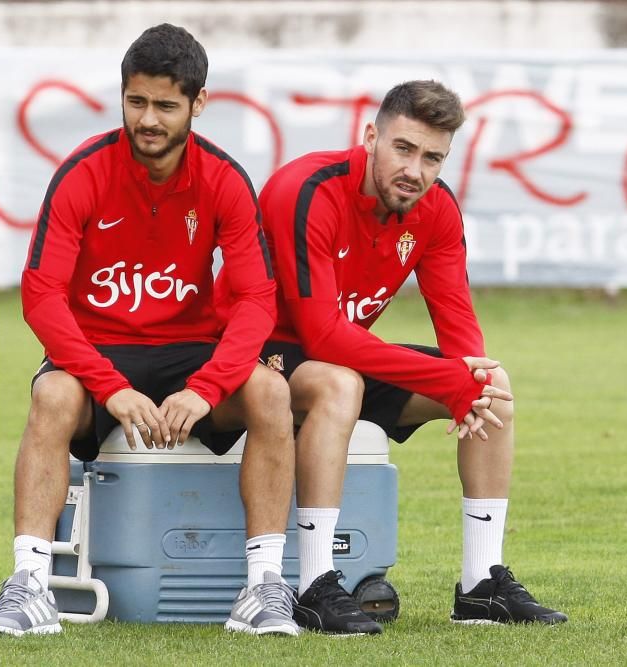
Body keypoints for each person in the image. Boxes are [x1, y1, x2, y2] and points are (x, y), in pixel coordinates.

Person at [218, 80, 567, 634]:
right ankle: (313, 584)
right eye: (404, 149)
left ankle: (479, 585)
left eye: (433, 158)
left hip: (344, 358)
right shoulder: (305, 190)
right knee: (340, 383)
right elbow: (322, 334)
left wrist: (467, 381)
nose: (416, 170)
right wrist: (446, 380)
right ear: (371, 136)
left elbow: (457, 324)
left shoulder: (437, 208)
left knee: (492, 383)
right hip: (258, 359)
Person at [0, 24, 299, 637]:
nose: (148, 120)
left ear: (198, 103)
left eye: (165, 105)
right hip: (100, 352)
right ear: (123, 97)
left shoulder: (224, 180)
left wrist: (207, 388)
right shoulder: (82, 172)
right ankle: (28, 585)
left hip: (189, 354)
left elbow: (257, 300)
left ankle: (264, 588)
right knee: (50, 395)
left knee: (271, 392)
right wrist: (109, 387)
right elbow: (42, 296)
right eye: (137, 102)